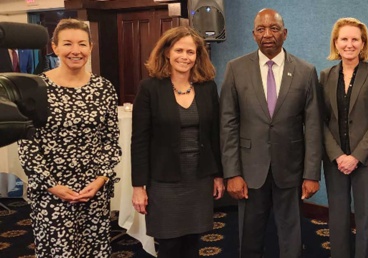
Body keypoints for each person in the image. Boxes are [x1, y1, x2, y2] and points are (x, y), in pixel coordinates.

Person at [219, 8, 322, 258]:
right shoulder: (236, 68)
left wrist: (311, 174)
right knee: (250, 236)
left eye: (274, 28)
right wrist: (232, 173)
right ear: (253, 34)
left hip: (291, 169)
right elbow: (227, 123)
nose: (268, 34)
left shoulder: (306, 71)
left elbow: (314, 125)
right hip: (250, 169)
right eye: (261, 29)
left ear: (284, 34)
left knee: (292, 237)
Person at [17, 18, 121, 257]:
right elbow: (28, 147)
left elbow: (110, 141)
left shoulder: (104, 88)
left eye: (82, 44)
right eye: (68, 44)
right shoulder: (35, 88)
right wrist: (53, 186)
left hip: (93, 191)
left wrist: (101, 179)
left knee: (94, 250)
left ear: (91, 47)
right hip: (51, 192)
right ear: (55, 47)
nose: (76, 51)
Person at [130, 26, 225, 258]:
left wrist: (218, 174)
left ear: (198, 56)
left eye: (190, 52)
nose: (185, 57)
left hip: (199, 178)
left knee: (193, 241)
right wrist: (138, 187)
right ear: (166, 53)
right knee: (170, 244)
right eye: (179, 50)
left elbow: (215, 134)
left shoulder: (207, 87)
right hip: (164, 180)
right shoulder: (149, 88)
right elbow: (139, 140)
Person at [319, 17, 368, 258]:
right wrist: (337, 155)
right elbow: (321, 121)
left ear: (363, 43)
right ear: (336, 43)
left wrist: (356, 157)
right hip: (334, 159)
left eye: (354, 39)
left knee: (366, 217)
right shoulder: (325, 76)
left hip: (367, 160)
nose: (349, 44)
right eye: (344, 39)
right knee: (337, 218)